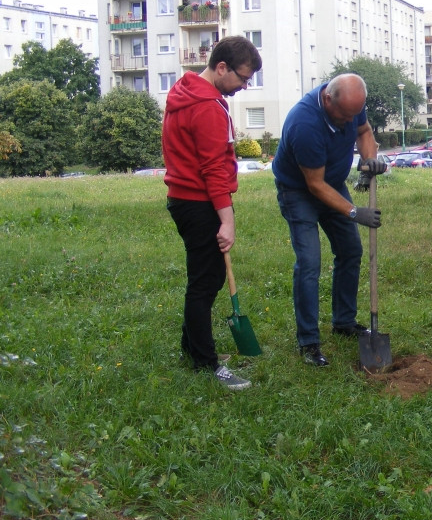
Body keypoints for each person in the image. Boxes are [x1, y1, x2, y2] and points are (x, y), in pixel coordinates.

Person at [163, 36, 263, 390]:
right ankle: (205, 363)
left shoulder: (185, 92)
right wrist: (227, 220)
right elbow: (212, 169)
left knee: (206, 277)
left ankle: (192, 348)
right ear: (221, 67)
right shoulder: (206, 106)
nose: (243, 86)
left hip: (184, 199)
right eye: (242, 78)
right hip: (198, 201)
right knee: (204, 283)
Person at [272, 73, 386, 367]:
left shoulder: (351, 102)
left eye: (353, 114)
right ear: (327, 99)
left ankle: (344, 322)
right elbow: (314, 185)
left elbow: (364, 131)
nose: (349, 121)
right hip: (299, 191)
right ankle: (308, 341)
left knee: (351, 250)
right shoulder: (304, 124)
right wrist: (354, 212)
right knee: (310, 262)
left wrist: (368, 161)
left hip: (332, 184)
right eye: (344, 116)